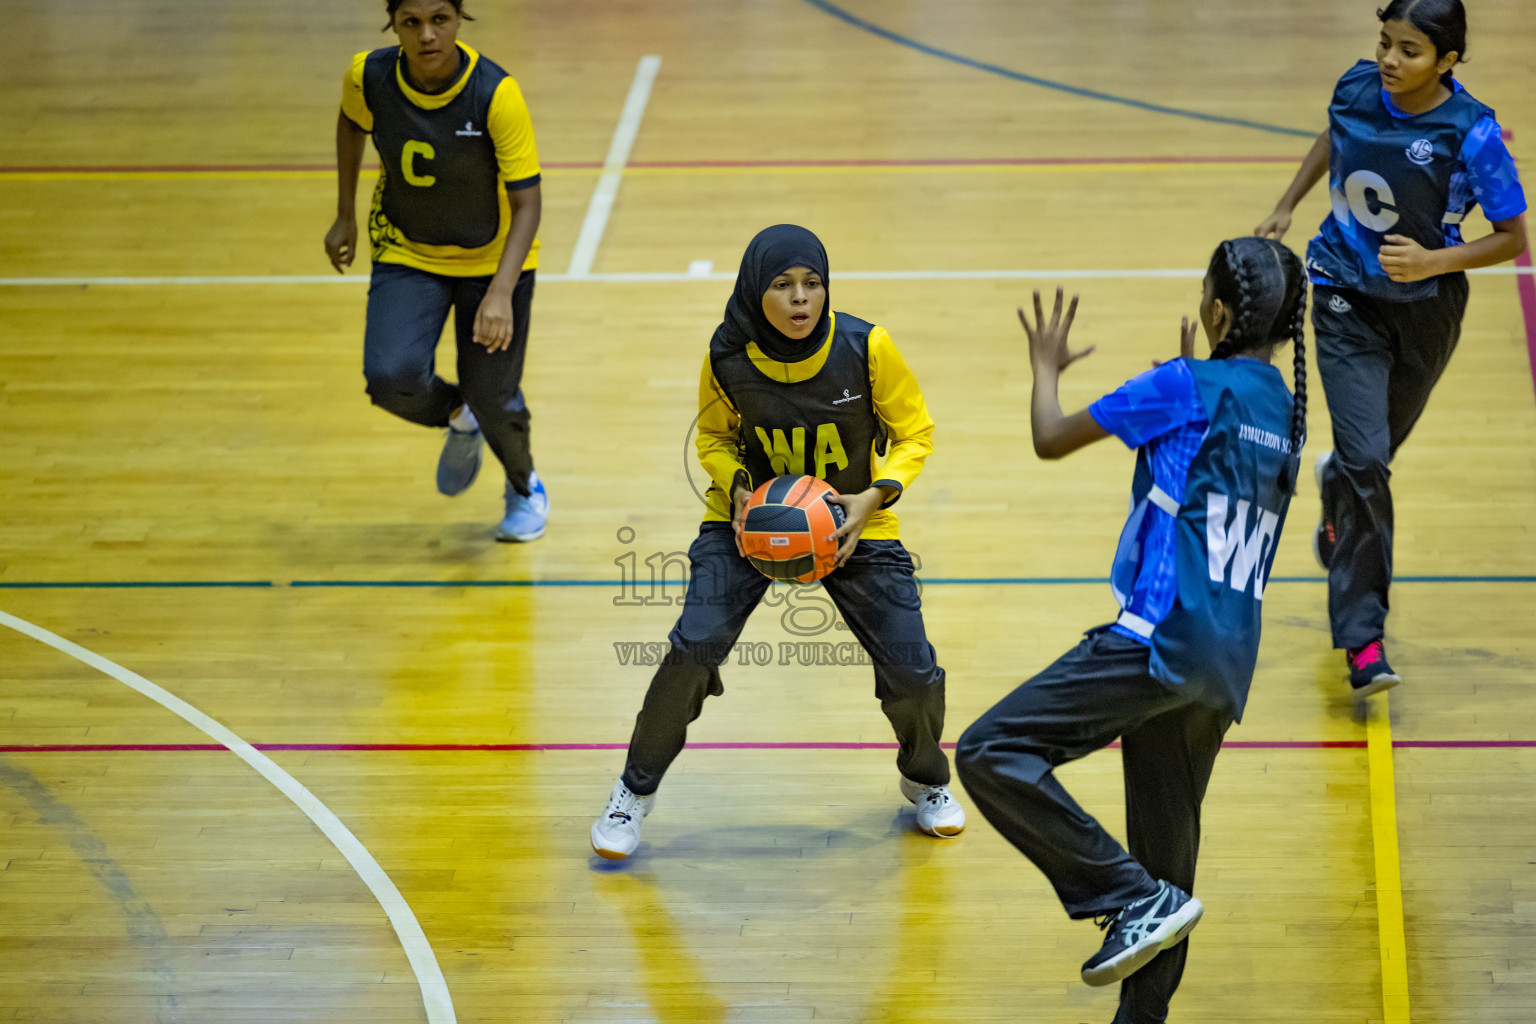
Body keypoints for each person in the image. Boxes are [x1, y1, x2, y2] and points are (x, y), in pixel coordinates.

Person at [956, 238, 1308, 1023]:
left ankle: (1120, 893)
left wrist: (1046, 368)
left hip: (1157, 639)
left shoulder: (1182, 386)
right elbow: (1199, 465)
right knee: (1170, 875)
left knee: (991, 752)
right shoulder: (1283, 410)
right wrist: (1183, 380)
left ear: (1218, 310)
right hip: (1223, 670)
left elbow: (1052, 436)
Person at [590, 224, 964, 860]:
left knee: (913, 668)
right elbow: (713, 438)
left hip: (853, 522)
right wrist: (737, 487)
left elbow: (915, 433)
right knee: (694, 646)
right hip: (744, 522)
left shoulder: (867, 346)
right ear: (753, 293)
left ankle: (925, 778)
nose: (800, 299)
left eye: (812, 284)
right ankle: (633, 790)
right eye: (783, 286)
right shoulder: (727, 356)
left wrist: (874, 497)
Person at [1254, 0, 1526, 695]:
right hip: (1345, 293)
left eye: (1409, 50)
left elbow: (1512, 239)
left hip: (1428, 307)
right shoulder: (1354, 86)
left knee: (1369, 458)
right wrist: (1290, 200)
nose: (1390, 60)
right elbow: (1334, 136)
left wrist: (1436, 262)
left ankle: (1334, 484)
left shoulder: (1472, 130)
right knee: (1369, 460)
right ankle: (1363, 641)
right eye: (1385, 43)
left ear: (1448, 60)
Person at [324, 0, 550, 541]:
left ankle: (524, 488)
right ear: (393, 24)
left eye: (439, 19)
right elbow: (351, 124)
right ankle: (457, 414)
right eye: (411, 23)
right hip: (408, 249)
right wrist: (344, 214)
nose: (427, 35)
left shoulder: (496, 93)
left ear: (458, 18)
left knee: (494, 393)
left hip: (494, 262)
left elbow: (529, 205)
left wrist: (500, 292)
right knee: (390, 378)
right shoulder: (368, 76)